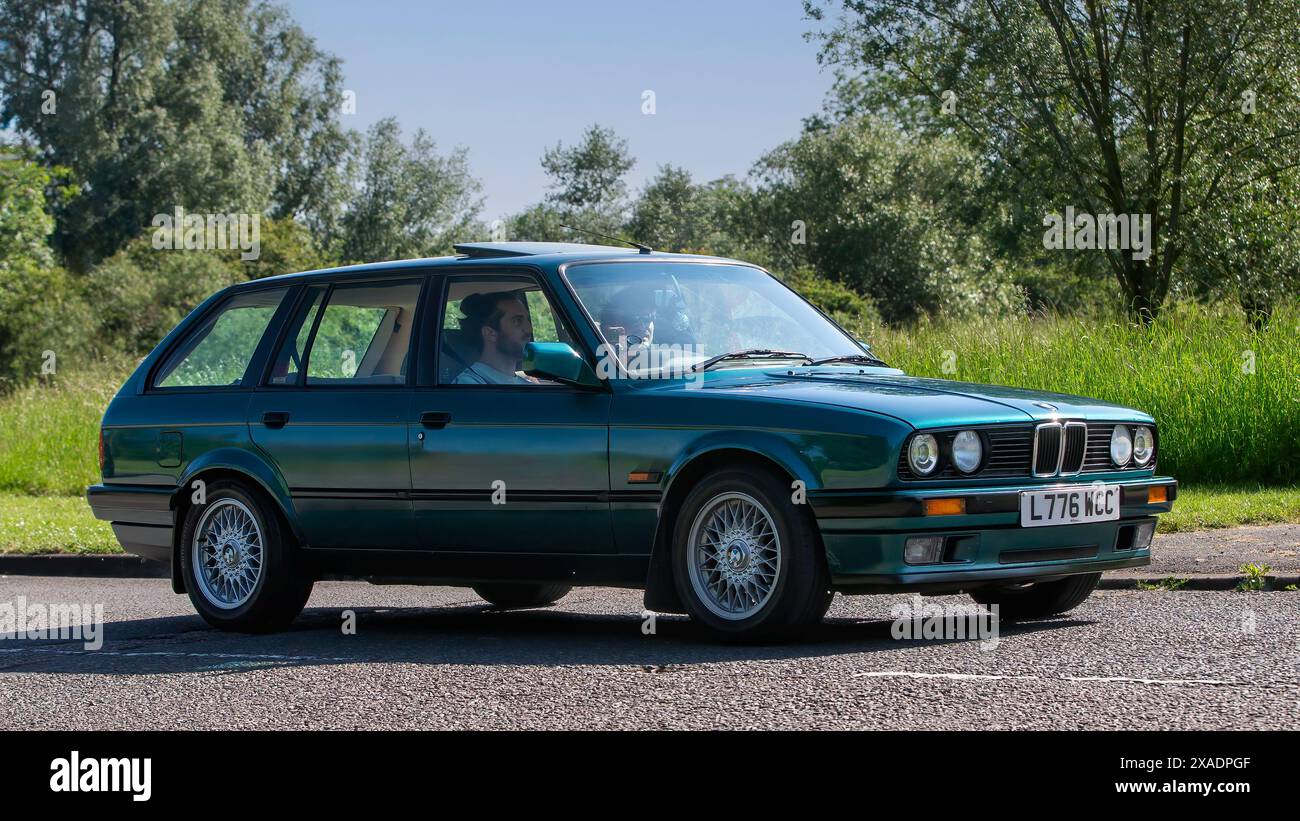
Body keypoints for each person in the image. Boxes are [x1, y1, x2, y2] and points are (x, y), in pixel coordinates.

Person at [454, 291, 539, 385]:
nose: (529, 329)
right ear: (490, 333)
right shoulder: (469, 386)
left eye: (527, 320)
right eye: (517, 321)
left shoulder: (528, 385)